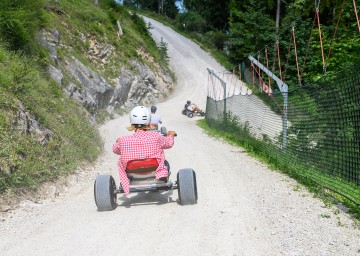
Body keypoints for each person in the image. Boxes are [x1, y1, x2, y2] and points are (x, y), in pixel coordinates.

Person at [112, 106, 176, 195]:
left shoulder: (123, 140)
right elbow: (169, 144)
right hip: (153, 170)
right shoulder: (156, 136)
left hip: (133, 173)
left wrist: (117, 142)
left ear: (132, 121)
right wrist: (171, 135)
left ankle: (129, 179)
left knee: (125, 164)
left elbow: (116, 150)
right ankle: (161, 178)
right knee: (166, 163)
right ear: (148, 120)